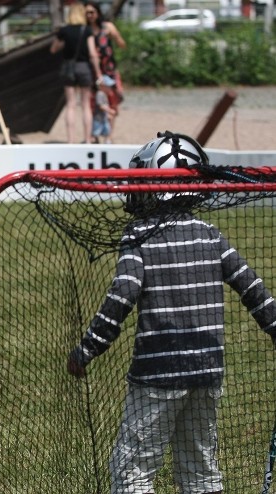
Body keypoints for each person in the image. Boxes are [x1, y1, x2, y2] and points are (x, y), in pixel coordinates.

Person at [66, 133, 276, 494]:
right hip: (207, 370)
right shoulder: (211, 235)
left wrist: (87, 350)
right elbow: (254, 291)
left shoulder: (139, 237)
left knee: (132, 468)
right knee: (199, 468)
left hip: (157, 376)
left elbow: (122, 295)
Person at [50, 2, 103, 144]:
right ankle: (87, 138)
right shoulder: (87, 30)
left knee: (71, 104)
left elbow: (53, 49)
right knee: (85, 105)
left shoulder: (64, 30)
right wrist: (98, 72)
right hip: (84, 67)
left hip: (69, 68)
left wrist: (66, 45)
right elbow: (92, 53)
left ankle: (71, 140)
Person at [85, 0, 125, 141]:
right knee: (93, 103)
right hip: (92, 72)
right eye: (87, 13)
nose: (90, 15)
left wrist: (113, 34)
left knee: (112, 102)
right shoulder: (85, 31)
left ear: (97, 12)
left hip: (109, 71)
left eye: (92, 12)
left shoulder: (106, 27)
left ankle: (109, 135)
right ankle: (94, 135)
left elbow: (121, 44)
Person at [91, 75, 117, 144]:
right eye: (108, 86)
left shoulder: (105, 94)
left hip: (104, 118)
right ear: (102, 86)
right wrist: (110, 111)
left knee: (107, 131)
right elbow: (101, 106)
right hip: (98, 119)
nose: (110, 88)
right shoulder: (100, 94)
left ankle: (107, 141)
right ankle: (94, 142)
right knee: (95, 133)